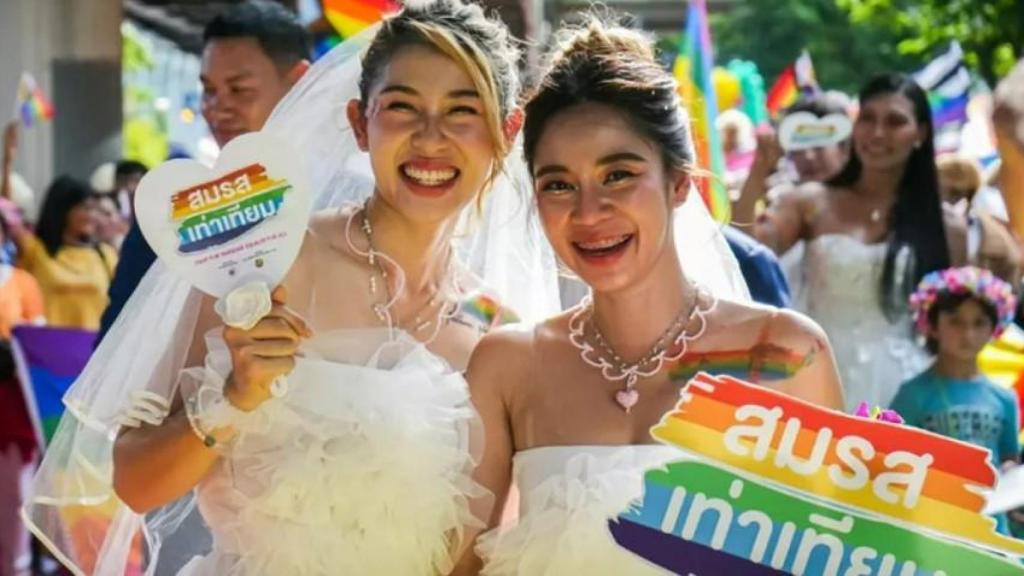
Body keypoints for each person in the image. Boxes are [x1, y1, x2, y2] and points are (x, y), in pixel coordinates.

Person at [23, 0, 555, 574]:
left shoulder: (496, 327)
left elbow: (473, 552)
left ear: (507, 133)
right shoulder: (268, 262)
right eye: (403, 107)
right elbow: (135, 484)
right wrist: (233, 399)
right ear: (359, 122)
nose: (431, 139)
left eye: (463, 112)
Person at [454, 20, 844, 575]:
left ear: (680, 182)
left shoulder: (786, 353)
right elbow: (464, 565)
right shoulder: (508, 366)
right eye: (558, 184)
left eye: (618, 175)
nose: (588, 213)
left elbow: (832, 553)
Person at [740, 73, 966, 412]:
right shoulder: (811, 202)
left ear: (919, 133)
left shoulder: (945, 225)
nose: (877, 133)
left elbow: (958, 324)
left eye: (894, 122)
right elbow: (745, 251)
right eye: (868, 119)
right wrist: (757, 172)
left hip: (907, 385)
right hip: (813, 374)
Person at [96, 0, 312, 344]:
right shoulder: (174, 209)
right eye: (209, 90)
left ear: (299, 83)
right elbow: (115, 341)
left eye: (239, 89)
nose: (217, 107)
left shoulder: (341, 198)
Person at [890, 266, 1020, 534]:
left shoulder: (1004, 398)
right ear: (933, 325)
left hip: (991, 526)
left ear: (994, 329)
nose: (967, 334)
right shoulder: (912, 394)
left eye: (979, 323)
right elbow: (893, 459)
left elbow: (1008, 457)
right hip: (932, 523)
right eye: (955, 321)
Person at [9, 176, 116, 330]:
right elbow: (6, 214)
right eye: (85, 208)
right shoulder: (34, 249)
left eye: (94, 209)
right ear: (63, 209)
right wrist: (7, 164)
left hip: (94, 349)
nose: (92, 216)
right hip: (46, 348)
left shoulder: (106, 255)